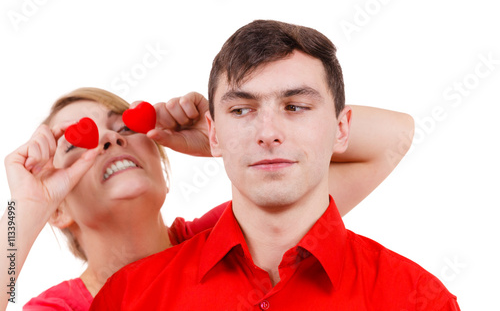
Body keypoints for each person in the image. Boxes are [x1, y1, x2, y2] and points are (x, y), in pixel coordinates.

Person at [90, 20, 460, 310]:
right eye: (242, 110)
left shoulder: (417, 299)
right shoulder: (127, 298)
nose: (268, 134)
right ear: (213, 135)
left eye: (295, 106)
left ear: (342, 128)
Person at [1, 82, 411, 310]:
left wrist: (230, 129)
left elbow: (391, 138)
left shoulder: (227, 236)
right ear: (60, 210)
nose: (109, 139)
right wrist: (25, 209)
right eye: (77, 142)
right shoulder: (62, 309)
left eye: (124, 127)